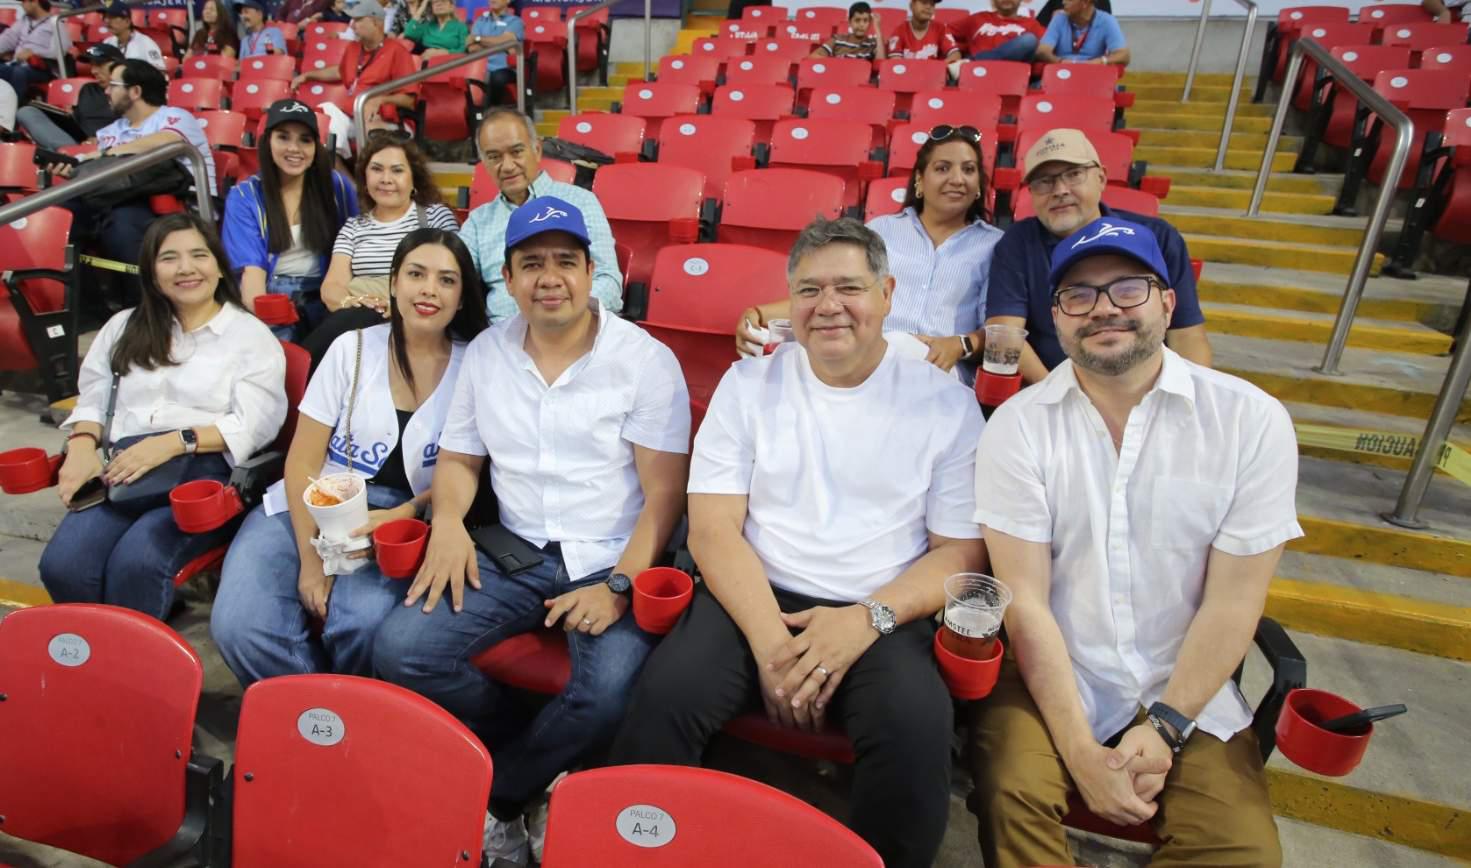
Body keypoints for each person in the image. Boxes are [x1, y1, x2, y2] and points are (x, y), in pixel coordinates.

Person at [610, 216, 985, 868]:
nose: (829, 307)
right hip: (753, 589)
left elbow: (958, 552)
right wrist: (770, 644)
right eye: (809, 291)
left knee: (916, 731)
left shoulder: (943, 404)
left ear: (887, 294)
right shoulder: (749, 385)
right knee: (664, 698)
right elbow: (714, 529)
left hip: (882, 606)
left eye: (849, 287)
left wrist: (866, 620)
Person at [969, 216, 1300, 868]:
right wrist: (1078, 750)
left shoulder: (1248, 420)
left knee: (1242, 851)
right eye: (1078, 296)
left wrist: (1169, 725)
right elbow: (1025, 603)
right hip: (1059, 673)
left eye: (1126, 289)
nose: (1102, 310)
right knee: (1013, 795)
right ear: (1056, 318)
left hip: (1186, 683)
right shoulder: (1017, 427)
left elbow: (1234, 602)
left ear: (1167, 302)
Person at [372, 197, 690, 864]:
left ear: (591, 271)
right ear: (507, 280)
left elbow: (663, 497)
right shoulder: (487, 354)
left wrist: (621, 585)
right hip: (512, 551)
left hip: (610, 555)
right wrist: (452, 523)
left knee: (607, 693)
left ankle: (501, 799)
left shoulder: (643, 360)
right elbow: (460, 458)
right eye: (532, 263)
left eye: (565, 263)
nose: (550, 277)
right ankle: (541, 757)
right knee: (402, 650)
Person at [212, 229, 489, 687]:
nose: (428, 290)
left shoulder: (477, 365)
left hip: (401, 518)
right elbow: (302, 461)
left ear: (461, 298)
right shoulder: (351, 349)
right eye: (416, 274)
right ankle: (312, 717)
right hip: (309, 501)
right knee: (240, 625)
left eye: (446, 280)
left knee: (362, 623)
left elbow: (469, 473)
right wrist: (309, 560)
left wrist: (408, 511)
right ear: (394, 283)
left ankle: (344, 723)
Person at [38, 214, 287, 621]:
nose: (186, 268)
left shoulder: (249, 336)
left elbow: (256, 424)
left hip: (202, 475)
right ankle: (93, 657)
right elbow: (97, 392)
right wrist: (82, 443)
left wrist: (173, 442)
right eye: (169, 258)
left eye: (198, 255)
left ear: (219, 266)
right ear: (152, 273)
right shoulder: (123, 326)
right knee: (63, 566)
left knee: (136, 563)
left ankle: (131, 673)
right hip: (125, 466)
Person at [736, 126, 1001, 380]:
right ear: (920, 180)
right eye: (942, 168)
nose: (957, 179)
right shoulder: (881, 230)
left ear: (979, 184)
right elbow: (836, 294)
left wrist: (961, 344)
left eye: (968, 170)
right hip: (869, 359)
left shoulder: (995, 245)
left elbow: (1004, 327)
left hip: (941, 369)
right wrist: (759, 314)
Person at [986, 129, 1209, 382]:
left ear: (1101, 178)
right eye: (1043, 182)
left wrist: (1192, 397)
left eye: (1073, 175)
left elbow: (1187, 334)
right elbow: (1006, 334)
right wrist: (1059, 398)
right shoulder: (1017, 243)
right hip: (1053, 387)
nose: (1059, 190)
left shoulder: (1157, 237)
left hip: (1145, 387)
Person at [47, 60, 217, 286]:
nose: (106, 91)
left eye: (113, 85)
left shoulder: (174, 116)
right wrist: (74, 171)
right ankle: (79, 300)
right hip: (119, 197)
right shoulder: (110, 131)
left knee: (122, 222)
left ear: (135, 91)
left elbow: (165, 141)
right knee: (61, 216)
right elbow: (103, 175)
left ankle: (145, 303)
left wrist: (103, 154)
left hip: (179, 203)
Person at [460, 108, 622, 322]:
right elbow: (456, 278)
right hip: (502, 338)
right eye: (494, 157)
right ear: (484, 163)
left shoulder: (580, 202)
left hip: (572, 328)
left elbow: (608, 281)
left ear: (536, 150)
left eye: (517, 152)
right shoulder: (478, 221)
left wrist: (560, 316)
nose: (507, 166)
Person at [222, 98, 359, 337]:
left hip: (328, 293)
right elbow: (252, 279)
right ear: (267, 142)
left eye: (305, 140)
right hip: (272, 294)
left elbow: (356, 246)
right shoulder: (244, 196)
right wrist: (261, 323)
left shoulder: (337, 186)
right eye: (283, 137)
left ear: (316, 147)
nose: (294, 149)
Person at [319, 133, 457, 317]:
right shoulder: (353, 227)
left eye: (397, 170)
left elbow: (451, 277)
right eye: (376, 169)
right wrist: (352, 303)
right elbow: (332, 286)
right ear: (365, 178)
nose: (386, 179)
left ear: (413, 178)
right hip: (358, 315)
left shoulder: (435, 217)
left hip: (416, 316)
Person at [291, 0, 418, 131]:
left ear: (376, 23)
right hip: (352, 116)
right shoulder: (353, 47)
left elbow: (409, 101)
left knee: (367, 129)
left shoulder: (397, 52)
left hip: (383, 121)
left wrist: (379, 100)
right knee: (324, 113)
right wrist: (307, 75)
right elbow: (340, 72)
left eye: (357, 20)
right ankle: (339, 152)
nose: (352, 26)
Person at [15, 43, 120, 150]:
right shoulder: (88, 89)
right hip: (79, 141)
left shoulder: (130, 90)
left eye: (99, 65)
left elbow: (132, 125)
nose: (94, 71)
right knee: (26, 112)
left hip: (110, 142)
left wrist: (102, 138)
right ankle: (69, 152)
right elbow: (80, 121)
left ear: (118, 65)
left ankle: (67, 155)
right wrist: (69, 115)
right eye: (92, 65)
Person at [0, 0, 69, 98]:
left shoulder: (55, 23)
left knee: (19, 73)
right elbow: (8, 39)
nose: (22, 4)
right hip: (16, 64)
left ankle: (15, 108)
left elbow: (60, 51)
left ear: (35, 2)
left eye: (24, 1)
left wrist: (34, 53)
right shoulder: (24, 21)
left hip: (42, 69)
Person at [1036, 0, 1128, 66]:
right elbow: (1042, 51)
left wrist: (1101, 61)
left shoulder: (1106, 20)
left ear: (1085, 3)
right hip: (1062, 73)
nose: (1063, 2)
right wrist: (1059, 61)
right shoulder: (1059, 18)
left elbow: (1124, 55)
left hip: (1093, 73)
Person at [468, 0, 522, 106]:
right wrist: (502, 46)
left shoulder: (515, 21)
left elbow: (506, 40)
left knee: (497, 78)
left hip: (504, 68)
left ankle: (492, 111)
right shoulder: (480, 21)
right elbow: (472, 47)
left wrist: (478, 38)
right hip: (481, 68)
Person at [951, 0, 1043, 62]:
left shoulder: (1032, 24)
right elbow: (943, 32)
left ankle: (971, 62)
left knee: (1028, 40)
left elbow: (1046, 50)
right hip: (977, 74)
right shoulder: (977, 18)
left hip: (1012, 75)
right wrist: (954, 51)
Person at [886, 0, 962, 62]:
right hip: (907, 78)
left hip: (934, 77)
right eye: (924, 2)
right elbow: (895, 62)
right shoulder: (899, 31)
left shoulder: (940, 28)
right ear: (912, 5)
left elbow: (955, 54)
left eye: (932, 4)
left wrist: (939, 67)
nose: (928, 7)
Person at [100, 2, 166, 70]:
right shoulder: (107, 42)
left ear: (127, 21)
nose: (107, 21)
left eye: (112, 17)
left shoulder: (146, 43)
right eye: (105, 17)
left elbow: (161, 73)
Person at [811, 2, 886, 60]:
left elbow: (880, 63)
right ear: (850, 22)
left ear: (870, 22)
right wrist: (835, 62)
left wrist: (877, 28)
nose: (861, 25)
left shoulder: (872, 43)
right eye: (857, 20)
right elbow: (813, 56)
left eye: (865, 20)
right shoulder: (838, 39)